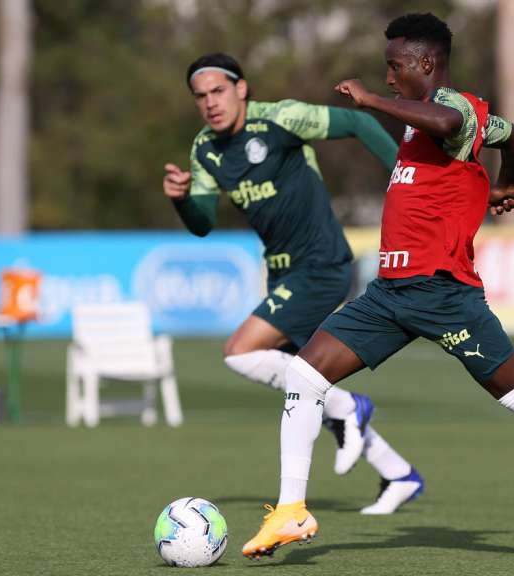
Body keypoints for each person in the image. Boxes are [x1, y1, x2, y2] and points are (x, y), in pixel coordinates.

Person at [242, 13, 514, 560]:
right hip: (390, 293)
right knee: (304, 372)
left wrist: (372, 100)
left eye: (396, 68)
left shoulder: (454, 108)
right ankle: (291, 510)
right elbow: (506, 144)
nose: (391, 77)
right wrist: (493, 186)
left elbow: (462, 127)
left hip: (443, 293)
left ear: (425, 64)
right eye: (386, 71)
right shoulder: (421, 121)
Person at [163, 52, 424, 514]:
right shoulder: (205, 149)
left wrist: (407, 181)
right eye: (200, 97)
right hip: (284, 271)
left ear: (241, 89)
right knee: (304, 386)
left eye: (218, 91)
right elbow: (202, 222)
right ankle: (397, 473)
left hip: (321, 263)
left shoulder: (281, 118)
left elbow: (358, 124)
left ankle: (349, 408)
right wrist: (183, 200)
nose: (210, 103)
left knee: (238, 351)